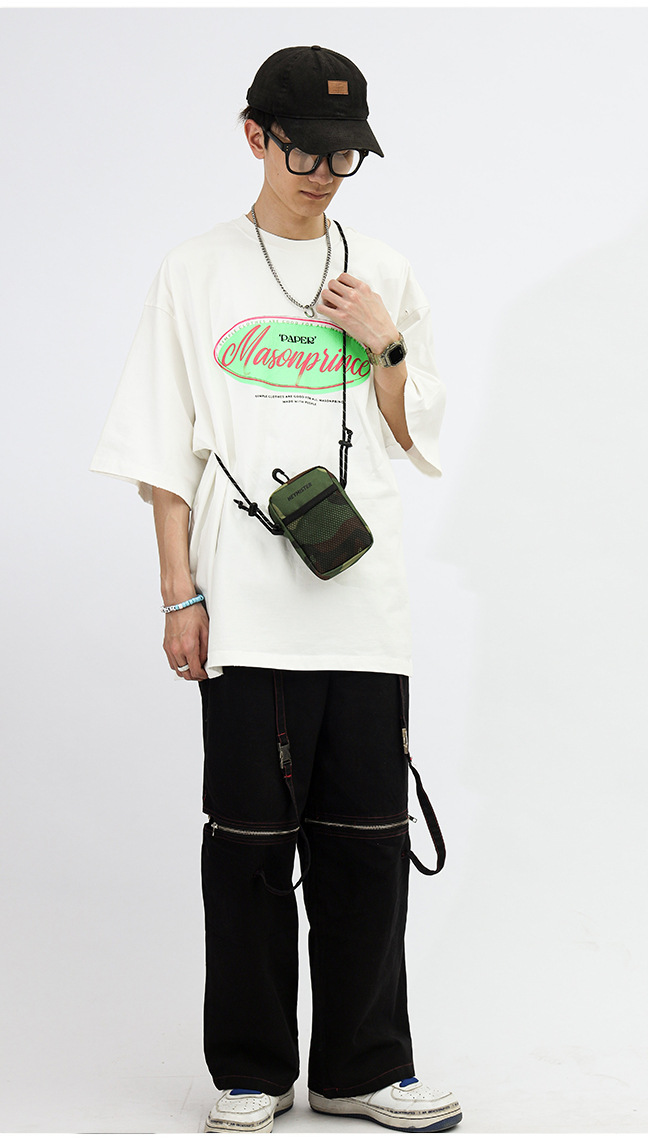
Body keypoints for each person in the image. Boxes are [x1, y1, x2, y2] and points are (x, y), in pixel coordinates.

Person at [91, 44, 461, 1134]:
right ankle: (252, 1070)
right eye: (305, 151)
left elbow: (415, 435)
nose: (325, 175)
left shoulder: (383, 269)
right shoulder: (195, 271)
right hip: (245, 605)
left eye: (346, 156)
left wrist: (383, 341)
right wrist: (179, 594)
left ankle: (362, 1066)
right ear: (254, 136)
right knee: (249, 848)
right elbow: (164, 447)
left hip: (364, 606)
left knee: (368, 843)